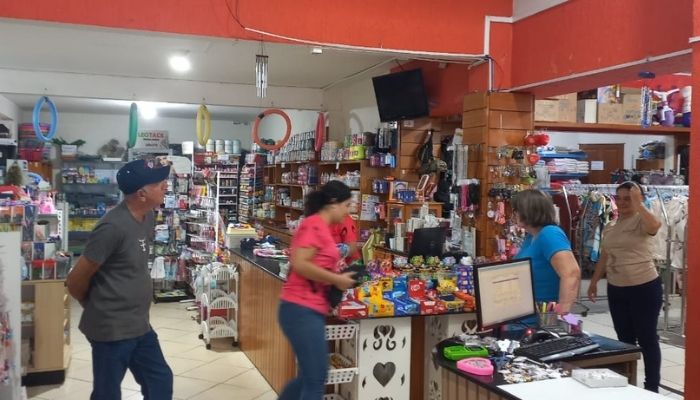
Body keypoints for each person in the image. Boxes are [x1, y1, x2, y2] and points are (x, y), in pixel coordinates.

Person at [66, 159, 173, 400]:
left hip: (139, 324)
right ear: (141, 194)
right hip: (111, 329)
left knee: (160, 380)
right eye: (159, 183)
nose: (165, 185)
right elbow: (75, 281)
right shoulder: (111, 227)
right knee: (107, 393)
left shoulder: (147, 217)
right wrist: (97, 305)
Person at [278, 181, 357, 400]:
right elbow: (300, 263)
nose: (347, 211)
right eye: (346, 205)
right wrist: (336, 279)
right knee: (316, 378)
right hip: (300, 308)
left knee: (308, 377)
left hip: (308, 308)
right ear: (333, 203)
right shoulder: (313, 225)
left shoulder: (321, 227)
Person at [587, 182, 663, 392]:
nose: (621, 202)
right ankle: (629, 386)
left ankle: (652, 388)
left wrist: (639, 204)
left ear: (638, 199)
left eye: (627, 198)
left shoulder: (642, 220)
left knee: (647, 338)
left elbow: (655, 226)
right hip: (616, 288)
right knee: (624, 340)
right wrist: (594, 281)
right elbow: (605, 255)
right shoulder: (612, 225)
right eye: (618, 198)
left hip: (644, 287)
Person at [511, 189, 581, 315]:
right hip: (525, 314)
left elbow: (571, 273)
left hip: (543, 317)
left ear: (529, 211)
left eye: (517, 210)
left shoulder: (550, 234)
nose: (514, 214)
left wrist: (563, 312)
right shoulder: (531, 236)